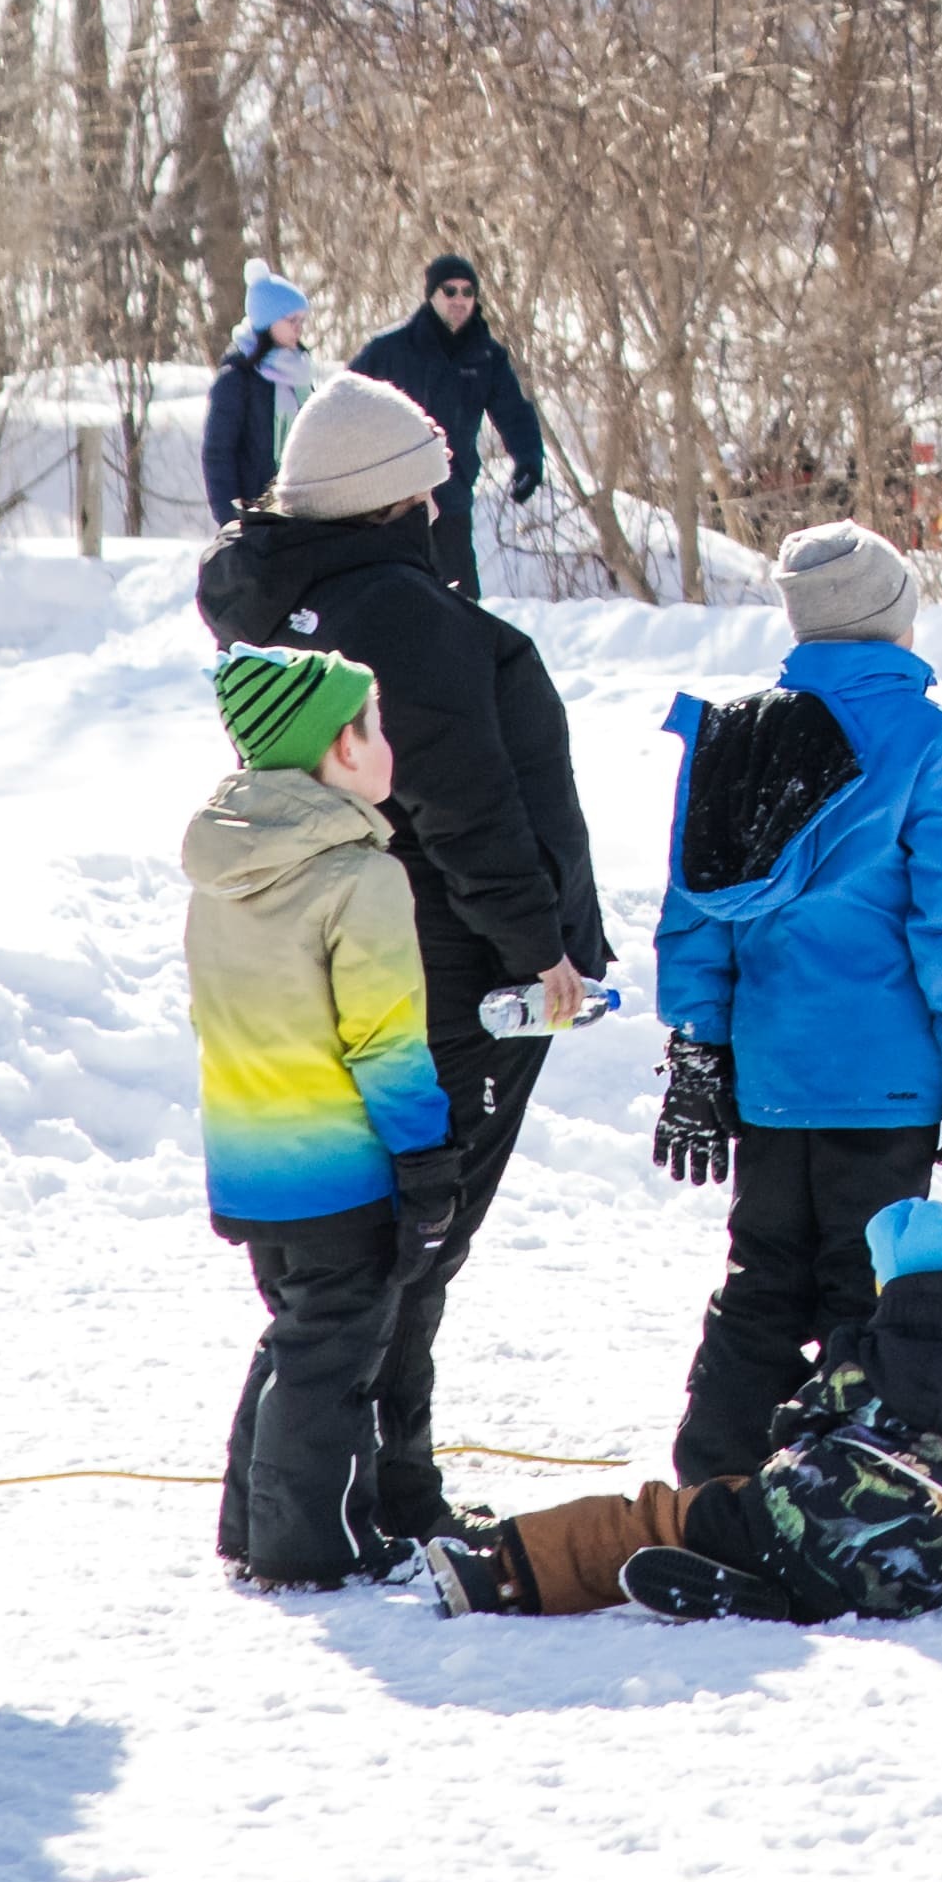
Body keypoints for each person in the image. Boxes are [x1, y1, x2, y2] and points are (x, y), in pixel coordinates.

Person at [199, 366, 607, 1541]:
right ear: (394, 502)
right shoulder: (399, 617)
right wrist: (542, 953)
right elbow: (465, 808)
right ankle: (351, 1501)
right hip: (443, 968)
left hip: (345, 955)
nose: (444, 509)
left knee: (354, 1263)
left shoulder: (290, 603)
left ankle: (338, 1493)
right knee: (401, 1251)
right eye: (432, 489)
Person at [649, 519, 942, 1478]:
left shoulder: (733, 736)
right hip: (888, 1074)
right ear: (894, 618)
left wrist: (698, 1046)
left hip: (771, 1065)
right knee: (868, 1287)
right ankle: (847, 1479)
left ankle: (716, 1473)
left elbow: (696, 915)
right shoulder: (935, 742)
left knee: (761, 1276)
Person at [181, 631, 458, 1589]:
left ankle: (253, 1524)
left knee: (297, 1332)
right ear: (341, 749)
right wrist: (426, 1158)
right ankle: (309, 1544)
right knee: (335, 1350)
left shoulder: (225, 871)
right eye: (373, 724)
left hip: (251, 1152)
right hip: (339, 1160)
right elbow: (383, 1037)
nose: (386, 742)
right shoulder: (361, 878)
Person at [618, 1194, 942, 1624]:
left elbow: (793, 1423)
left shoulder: (862, 1347)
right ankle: (792, 1593)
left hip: (812, 1535)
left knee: (693, 1516)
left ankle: (773, 1584)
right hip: (926, 1579)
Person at [352, 252, 559, 585]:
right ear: (432, 294)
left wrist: (529, 462)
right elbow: (343, 404)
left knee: (461, 602)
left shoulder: (486, 355)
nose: (459, 299)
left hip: (452, 495)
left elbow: (514, 413)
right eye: (449, 291)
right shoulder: (389, 350)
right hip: (394, 501)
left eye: (467, 292)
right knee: (398, 596)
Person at [199, 268, 321, 526]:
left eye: (301, 320)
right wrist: (231, 520)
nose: (299, 329)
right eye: (291, 321)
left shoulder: (301, 372)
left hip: (299, 511)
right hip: (253, 518)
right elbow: (218, 453)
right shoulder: (236, 378)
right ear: (267, 321)